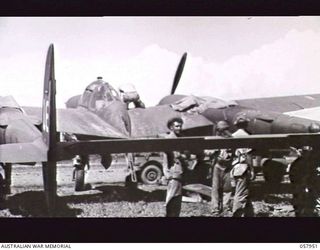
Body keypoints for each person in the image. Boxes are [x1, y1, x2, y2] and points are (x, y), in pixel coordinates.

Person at [161, 117, 189, 217]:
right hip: (173, 173)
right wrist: (166, 173)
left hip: (180, 172)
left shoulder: (181, 138)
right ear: (171, 127)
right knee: (172, 198)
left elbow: (187, 155)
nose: (179, 128)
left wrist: (182, 156)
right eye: (177, 126)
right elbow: (164, 157)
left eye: (180, 126)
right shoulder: (168, 140)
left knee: (177, 199)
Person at [230, 115, 255, 217]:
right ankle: (237, 214)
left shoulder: (233, 135)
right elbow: (248, 155)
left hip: (235, 167)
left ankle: (249, 214)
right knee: (241, 194)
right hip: (243, 168)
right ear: (246, 125)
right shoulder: (246, 136)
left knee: (244, 192)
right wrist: (252, 170)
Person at [210, 121, 233, 216]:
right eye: (221, 130)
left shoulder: (231, 140)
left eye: (224, 129)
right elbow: (208, 152)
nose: (223, 132)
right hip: (217, 165)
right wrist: (213, 150)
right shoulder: (214, 140)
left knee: (227, 189)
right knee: (215, 188)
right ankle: (215, 209)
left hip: (228, 166)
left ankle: (225, 208)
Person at [290, 146, 320, 217]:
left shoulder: (313, 163)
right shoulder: (298, 163)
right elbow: (293, 176)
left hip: (310, 188)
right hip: (303, 187)